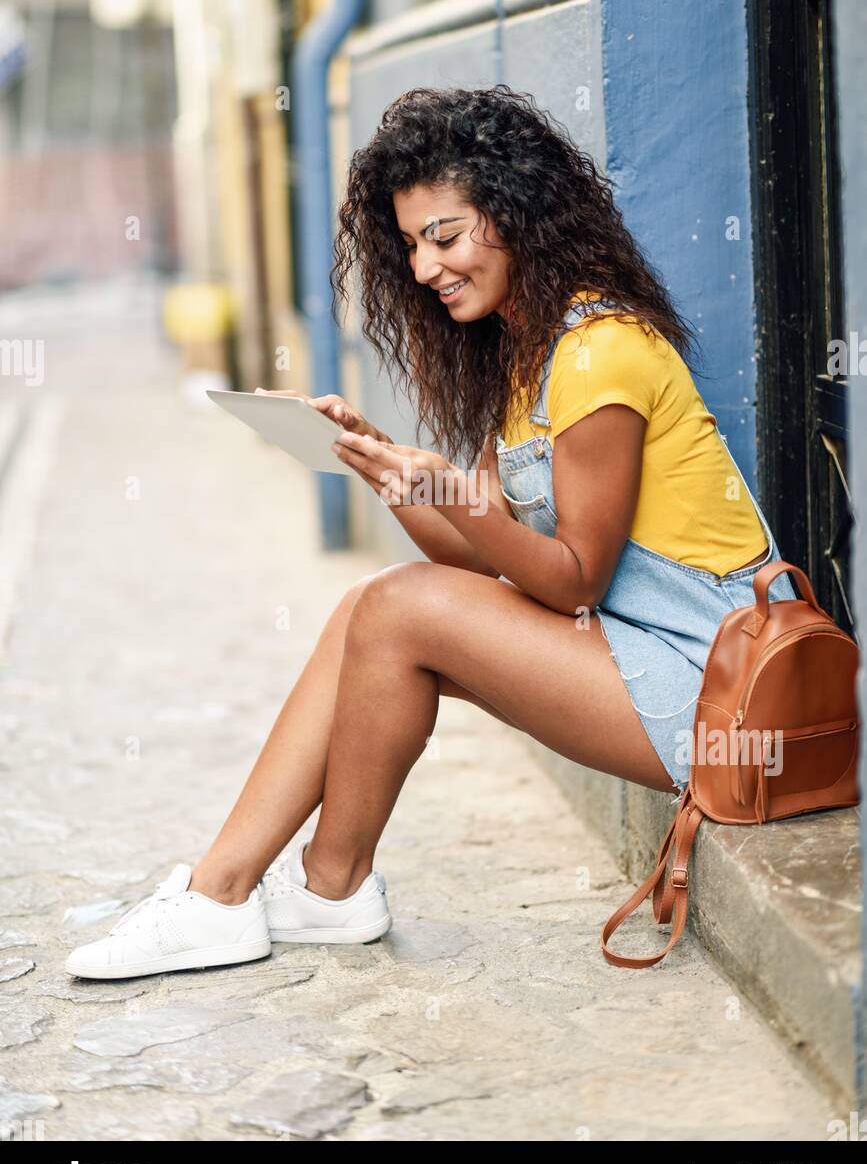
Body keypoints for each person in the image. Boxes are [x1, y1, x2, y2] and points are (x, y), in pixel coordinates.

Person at [65, 85, 796, 980]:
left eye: (443, 237)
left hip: (719, 692)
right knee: (377, 612)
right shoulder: (532, 356)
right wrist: (386, 467)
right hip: (640, 659)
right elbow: (475, 558)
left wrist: (448, 488)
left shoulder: (600, 351)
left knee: (400, 608)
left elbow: (570, 582)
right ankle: (309, 889)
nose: (422, 269)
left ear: (518, 216)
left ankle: (237, 895)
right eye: (410, 245)